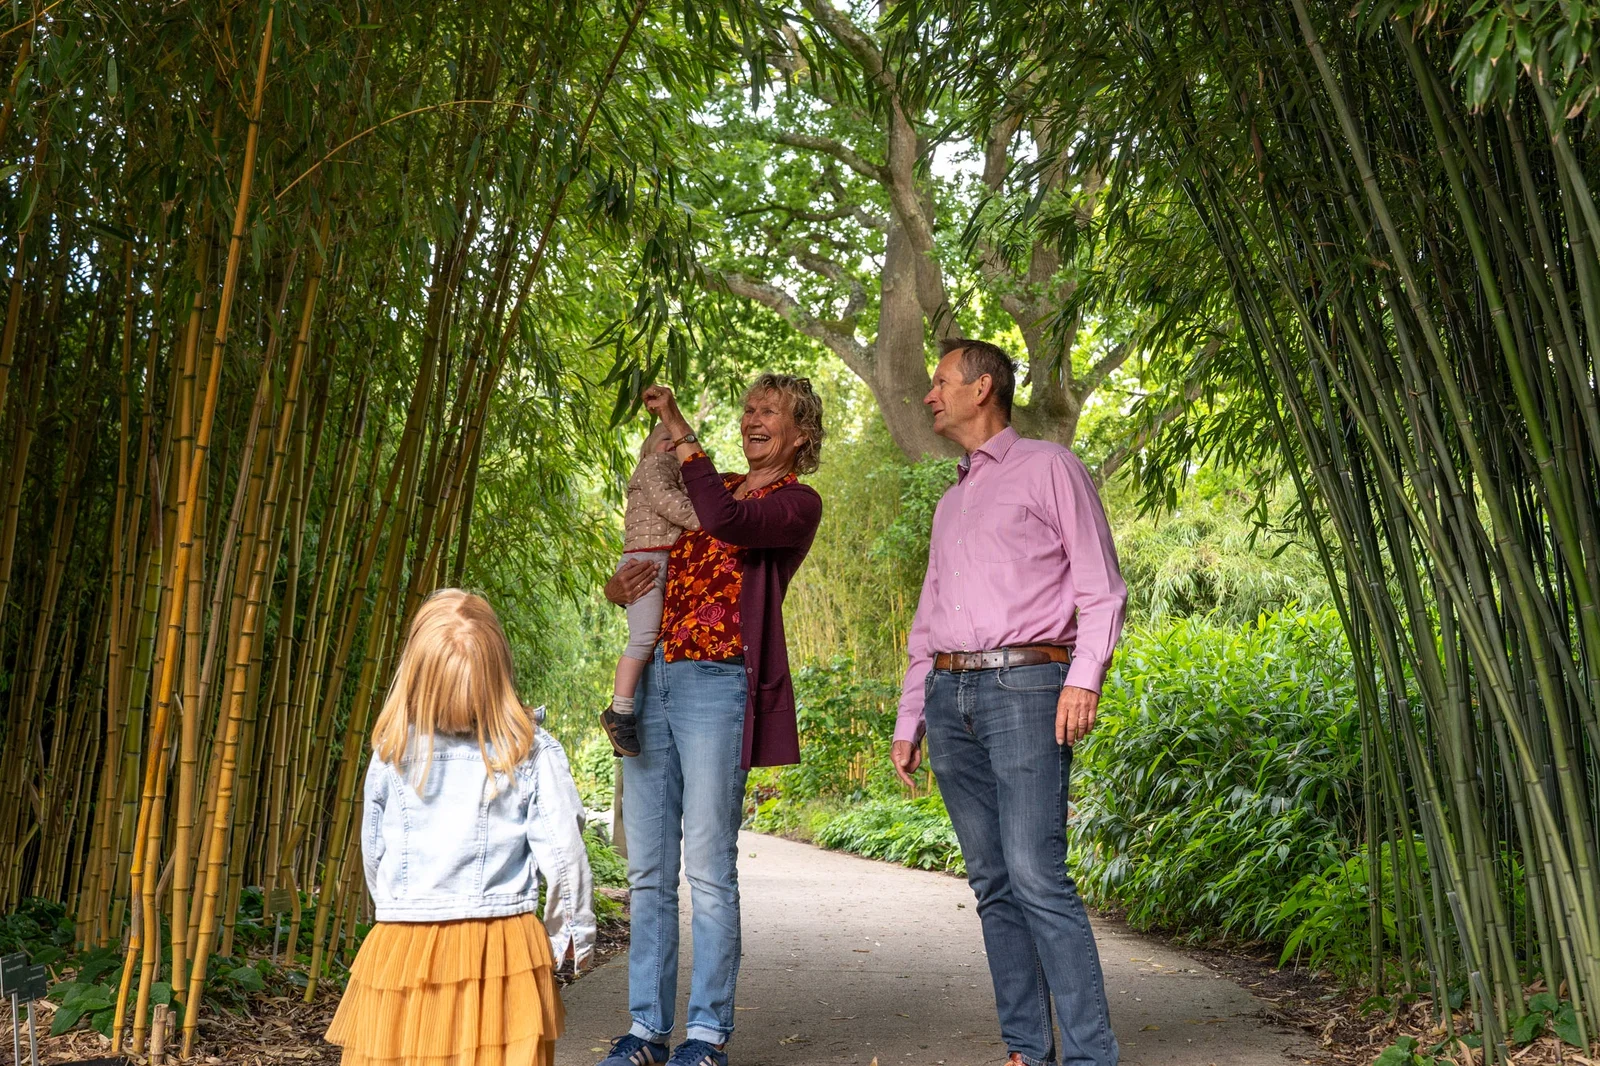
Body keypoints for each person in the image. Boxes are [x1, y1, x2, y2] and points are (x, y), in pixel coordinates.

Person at [892, 339, 1126, 1066]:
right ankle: (1027, 1048)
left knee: (1034, 874)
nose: (929, 395)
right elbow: (928, 617)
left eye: (939, 382)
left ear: (982, 386)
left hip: (1027, 688)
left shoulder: (1050, 468)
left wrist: (1084, 676)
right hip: (949, 692)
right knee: (993, 883)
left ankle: (1090, 1057)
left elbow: (1102, 586)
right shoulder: (951, 499)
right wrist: (911, 716)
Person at [594, 375, 824, 1066]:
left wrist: (679, 425)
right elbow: (650, 535)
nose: (753, 418)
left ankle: (705, 1035)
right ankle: (645, 1032)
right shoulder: (711, 482)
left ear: (800, 435)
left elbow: (726, 525)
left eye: (770, 411)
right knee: (648, 870)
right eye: (749, 407)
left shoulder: (795, 504)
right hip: (656, 672)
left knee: (709, 867)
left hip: (717, 684)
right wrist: (619, 585)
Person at [326, 589, 595, 1066]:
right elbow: (564, 853)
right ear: (499, 669)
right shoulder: (530, 751)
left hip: (406, 944)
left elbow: (374, 849)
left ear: (417, 673)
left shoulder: (391, 750)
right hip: (502, 949)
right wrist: (568, 935)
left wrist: (393, 909)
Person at [601, 421, 702, 756]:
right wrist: (704, 518)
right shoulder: (654, 466)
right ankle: (620, 712)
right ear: (647, 448)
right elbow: (666, 501)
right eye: (664, 439)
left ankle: (625, 711)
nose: (673, 444)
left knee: (650, 635)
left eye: (679, 440)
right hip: (645, 563)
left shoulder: (677, 472)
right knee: (643, 637)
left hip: (653, 561)